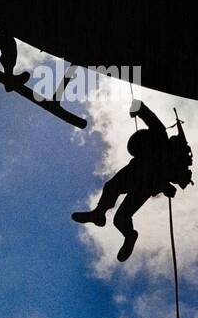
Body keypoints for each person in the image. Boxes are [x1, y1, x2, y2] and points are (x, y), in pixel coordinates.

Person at [72, 100, 190, 261]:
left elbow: (150, 118)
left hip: (145, 183)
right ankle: (100, 215)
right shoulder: (147, 152)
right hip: (141, 180)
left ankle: (126, 233)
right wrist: (138, 108)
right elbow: (146, 112)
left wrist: (138, 108)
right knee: (113, 194)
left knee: (118, 210)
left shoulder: (159, 138)